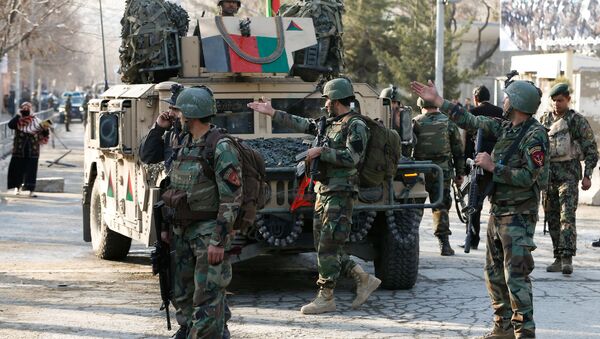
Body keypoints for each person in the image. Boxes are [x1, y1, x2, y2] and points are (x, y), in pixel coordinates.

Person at [411, 79, 548, 339]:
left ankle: (524, 333)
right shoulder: (506, 127)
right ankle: (503, 327)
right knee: (494, 274)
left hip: (519, 215)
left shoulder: (535, 135)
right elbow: (470, 121)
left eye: (507, 98)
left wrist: (494, 167)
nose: (503, 102)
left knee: (516, 277)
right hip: (499, 211)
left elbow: (530, 177)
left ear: (517, 103)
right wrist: (439, 101)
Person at [247, 78, 381, 315]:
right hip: (324, 191)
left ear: (337, 100)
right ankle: (361, 277)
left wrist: (321, 151)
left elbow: (353, 158)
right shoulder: (329, 123)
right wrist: (271, 112)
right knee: (325, 245)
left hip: (340, 193)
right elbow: (302, 123)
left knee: (328, 245)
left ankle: (326, 296)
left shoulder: (355, 124)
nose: (325, 103)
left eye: (328, 99)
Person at [163, 86, 240, 338]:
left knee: (208, 294)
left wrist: (219, 240)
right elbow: (175, 187)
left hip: (208, 235)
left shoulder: (221, 147)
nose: (179, 118)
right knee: (183, 292)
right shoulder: (185, 143)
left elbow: (231, 198)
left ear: (191, 115)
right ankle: (189, 329)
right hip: (183, 232)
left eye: (181, 113)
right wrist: (167, 228)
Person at [539, 83, 598, 275]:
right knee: (552, 217)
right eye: (554, 100)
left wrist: (588, 175)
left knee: (567, 217)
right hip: (548, 177)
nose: (557, 104)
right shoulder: (544, 119)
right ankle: (557, 256)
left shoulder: (576, 121)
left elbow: (591, 149)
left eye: (560, 100)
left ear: (568, 100)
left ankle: (567, 259)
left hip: (569, 176)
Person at [412, 97, 465, 256]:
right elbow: (458, 150)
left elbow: (407, 149)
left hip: (419, 172)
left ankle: (410, 242)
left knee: (414, 208)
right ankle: (444, 245)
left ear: (421, 105)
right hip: (442, 172)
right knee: (440, 206)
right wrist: (460, 173)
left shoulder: (415, 122)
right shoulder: (448, 122)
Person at [461, 85, 505, 250]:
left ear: (476, 98)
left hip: (478, 162)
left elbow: (466, 142)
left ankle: (472, 239)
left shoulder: (472, 113)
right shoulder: (500, 112)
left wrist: (465, 165)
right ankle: (498, 239)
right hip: (497, 163)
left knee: (474, 203)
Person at [7, 102, 51, 197]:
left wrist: (46, 128)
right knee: (18, 169)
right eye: (24, 107)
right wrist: (18, 115)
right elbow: (10, 125)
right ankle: (17, 188)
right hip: (19, 150)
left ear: (31, 109)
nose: (26, 109)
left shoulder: (36, 120)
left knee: (31, 171)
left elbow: (44, 133)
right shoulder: (18, 120)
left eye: (28, 107)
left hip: (33, 150)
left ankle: (31, 191)